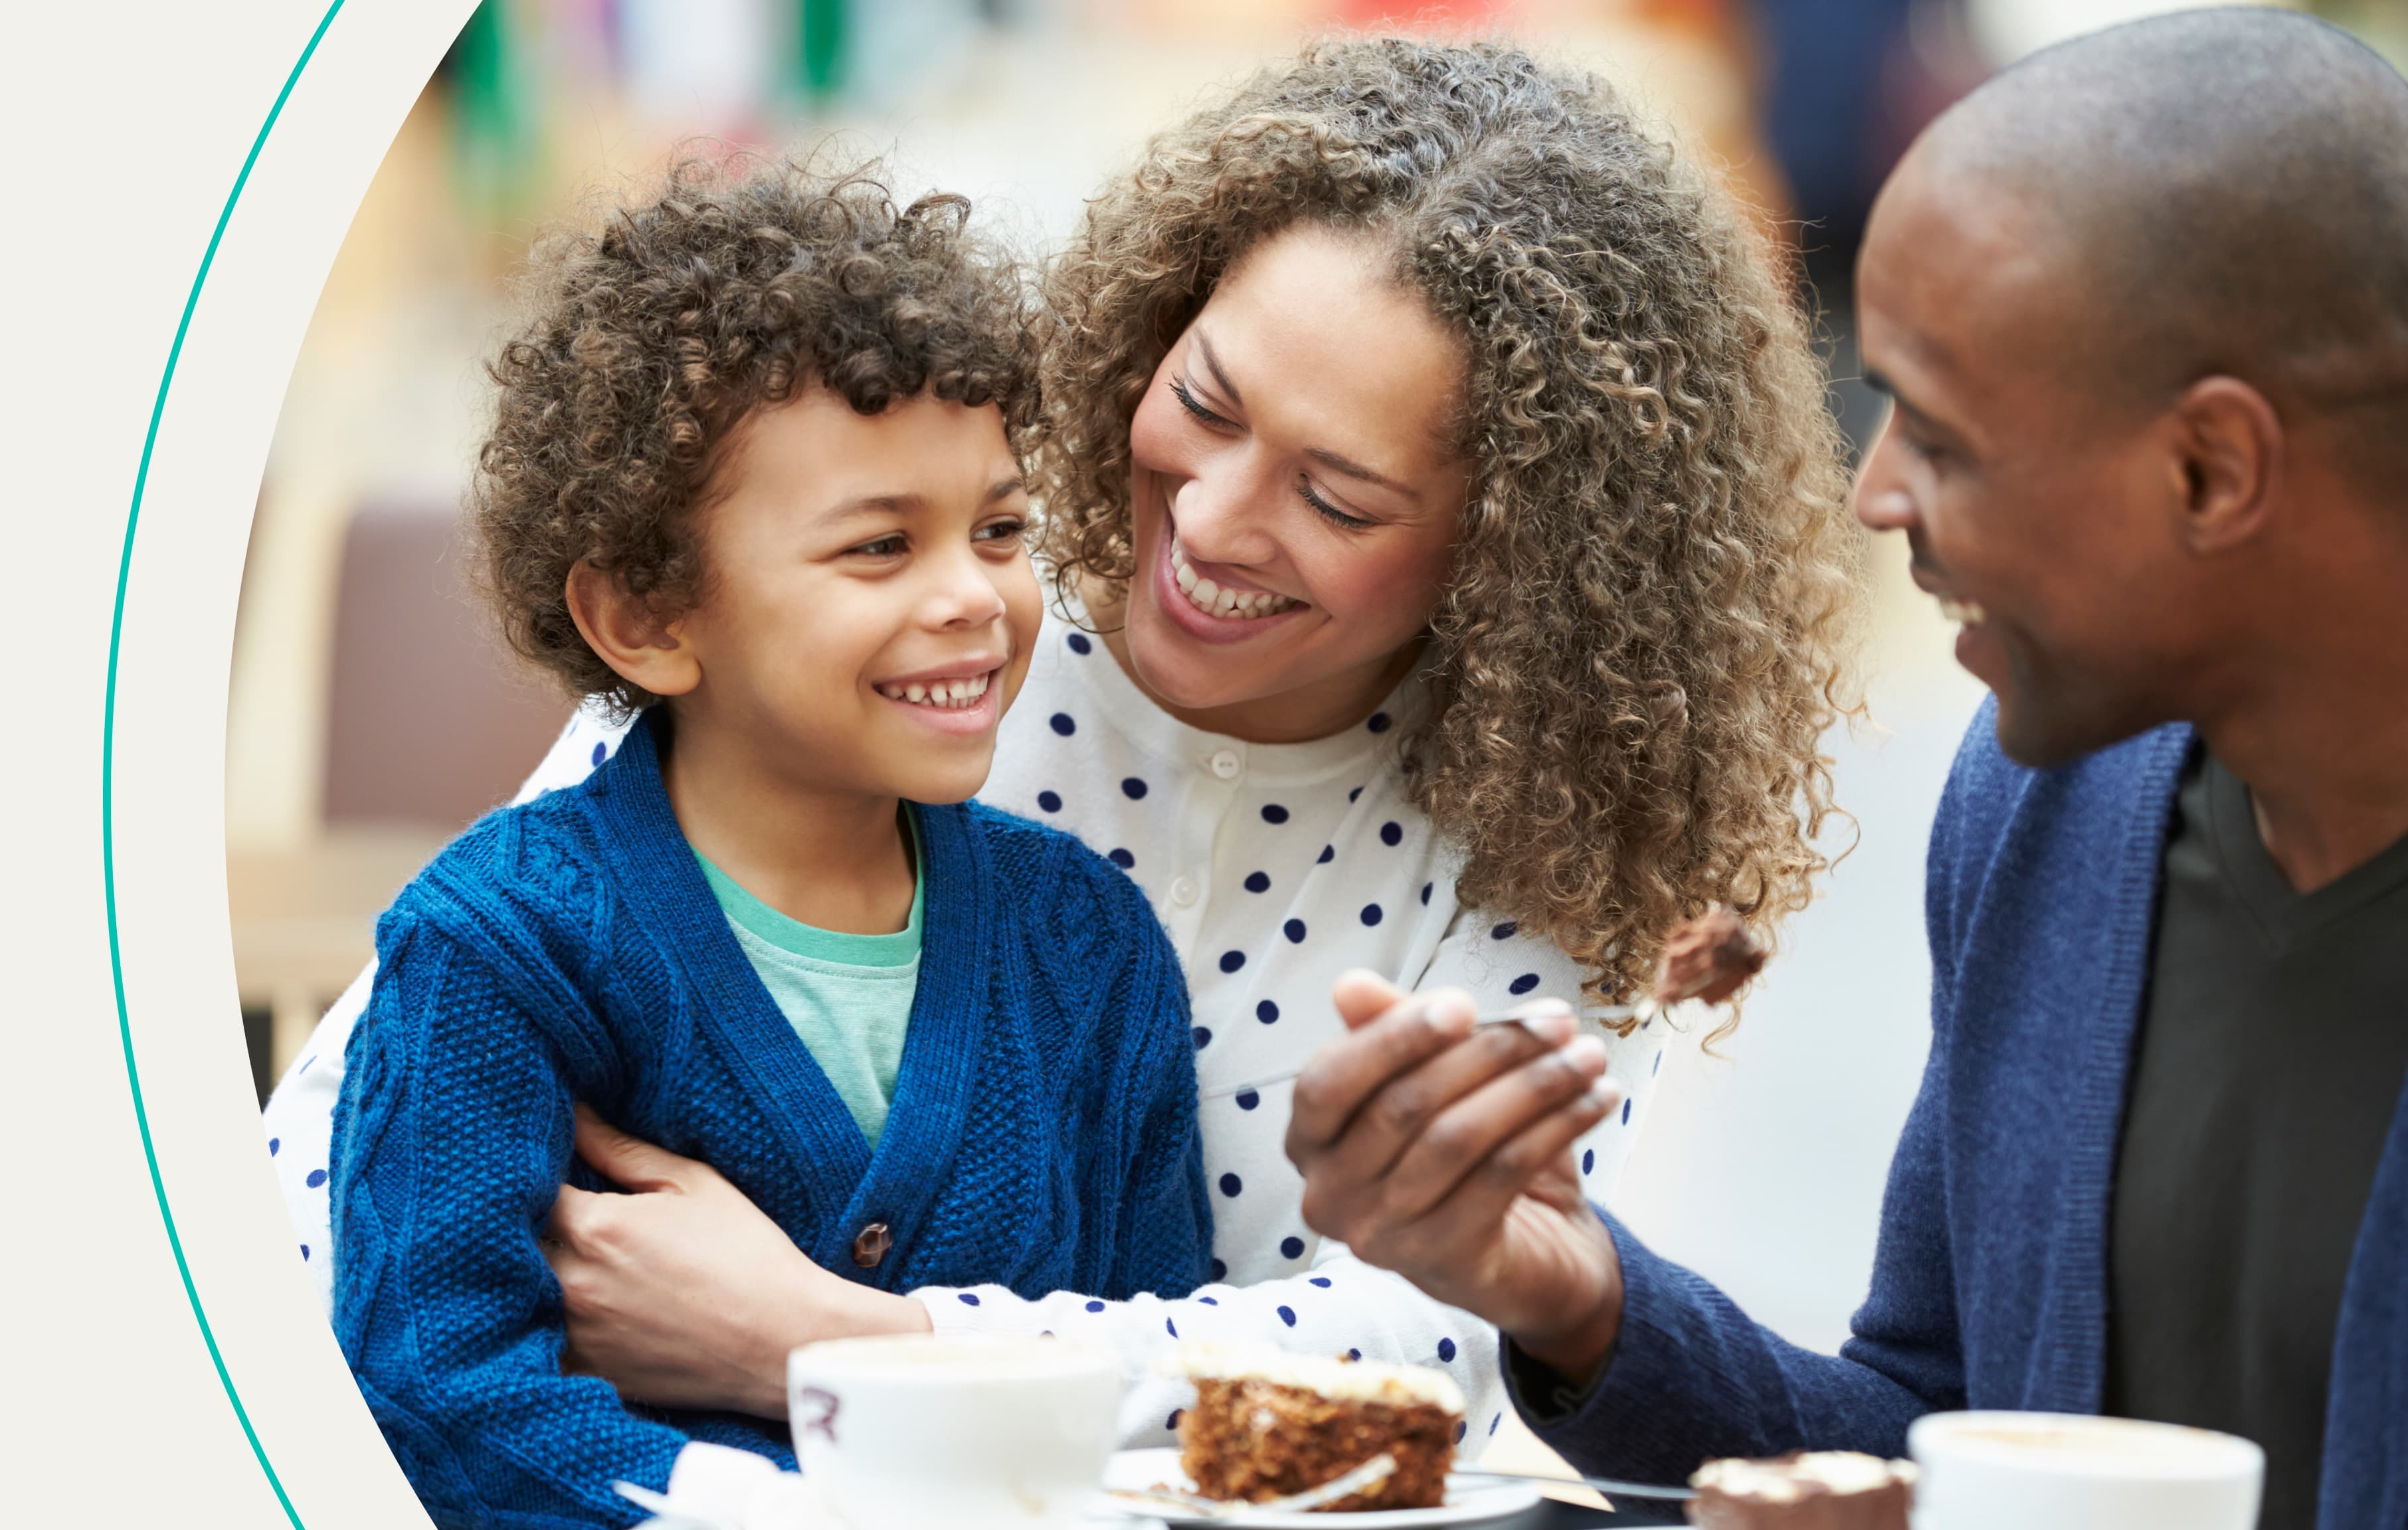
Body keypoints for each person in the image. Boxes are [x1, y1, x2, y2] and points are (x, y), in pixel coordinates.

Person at [269, 37, 1865, 1448]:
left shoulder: (1558, 827)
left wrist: (833, 1346)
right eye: (1211, 404)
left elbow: (1428, 1353)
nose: (1213, 523)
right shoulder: (902, 632)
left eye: (1338, 496)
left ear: (1519, 551)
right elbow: (339, 1160)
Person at [1278, 12, 2408, 1529]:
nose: (1875, 499)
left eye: (1939, 438)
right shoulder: (2047, 810)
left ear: (2211, 468)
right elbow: (1934, 1428)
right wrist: (1578, 1295)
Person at [329, 159, 1214, 1530]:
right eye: (879, 548)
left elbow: (1152, 1410)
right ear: (649, 617)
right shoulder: (503, 946)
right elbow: (434, 1399)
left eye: (998, 530)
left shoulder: (1089, 953)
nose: (972, 599)